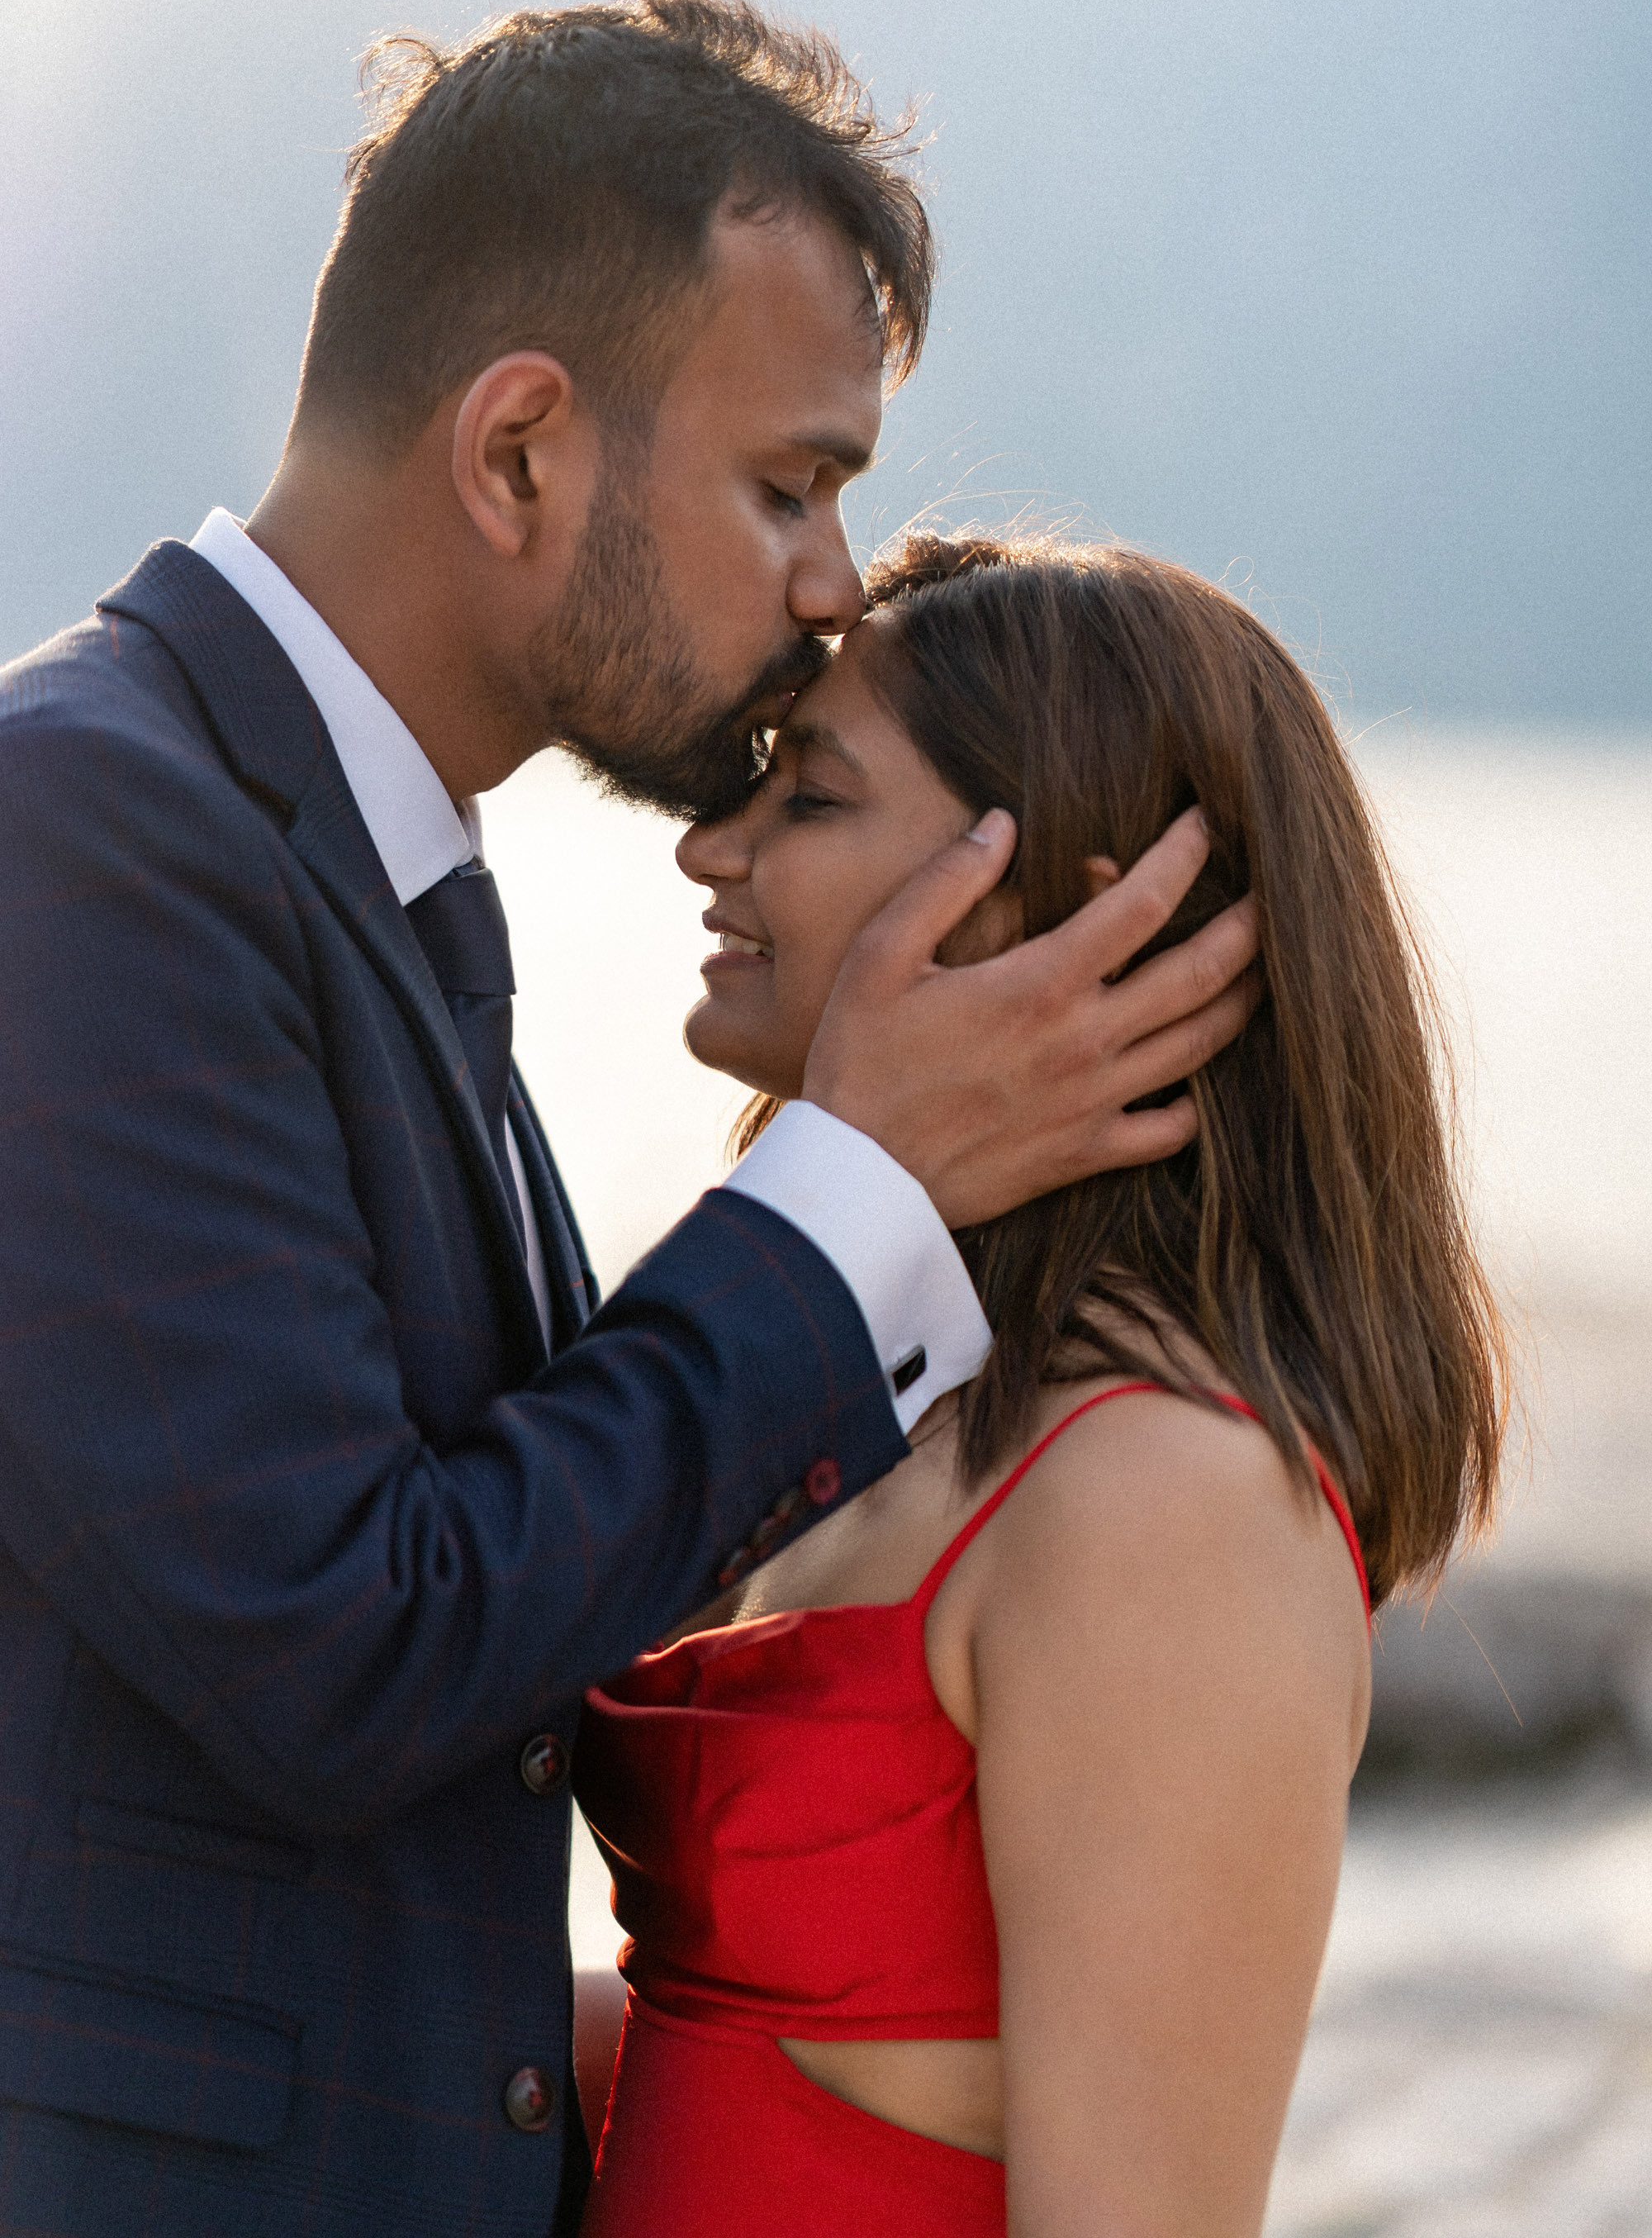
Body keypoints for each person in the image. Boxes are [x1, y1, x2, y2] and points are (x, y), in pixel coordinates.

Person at [0, 0, 1259, 2238]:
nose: (832, 585)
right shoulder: (81, 828)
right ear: (518, 456)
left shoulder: (363, 869)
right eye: (791, 482)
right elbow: (351, 1649)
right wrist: (860, 1184)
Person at [572, 532, 1508, 2238]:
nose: (714, 847)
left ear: (1057, 912)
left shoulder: (1166, 1498)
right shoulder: (889, 1405)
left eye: (810, 798)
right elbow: (759, 2058)